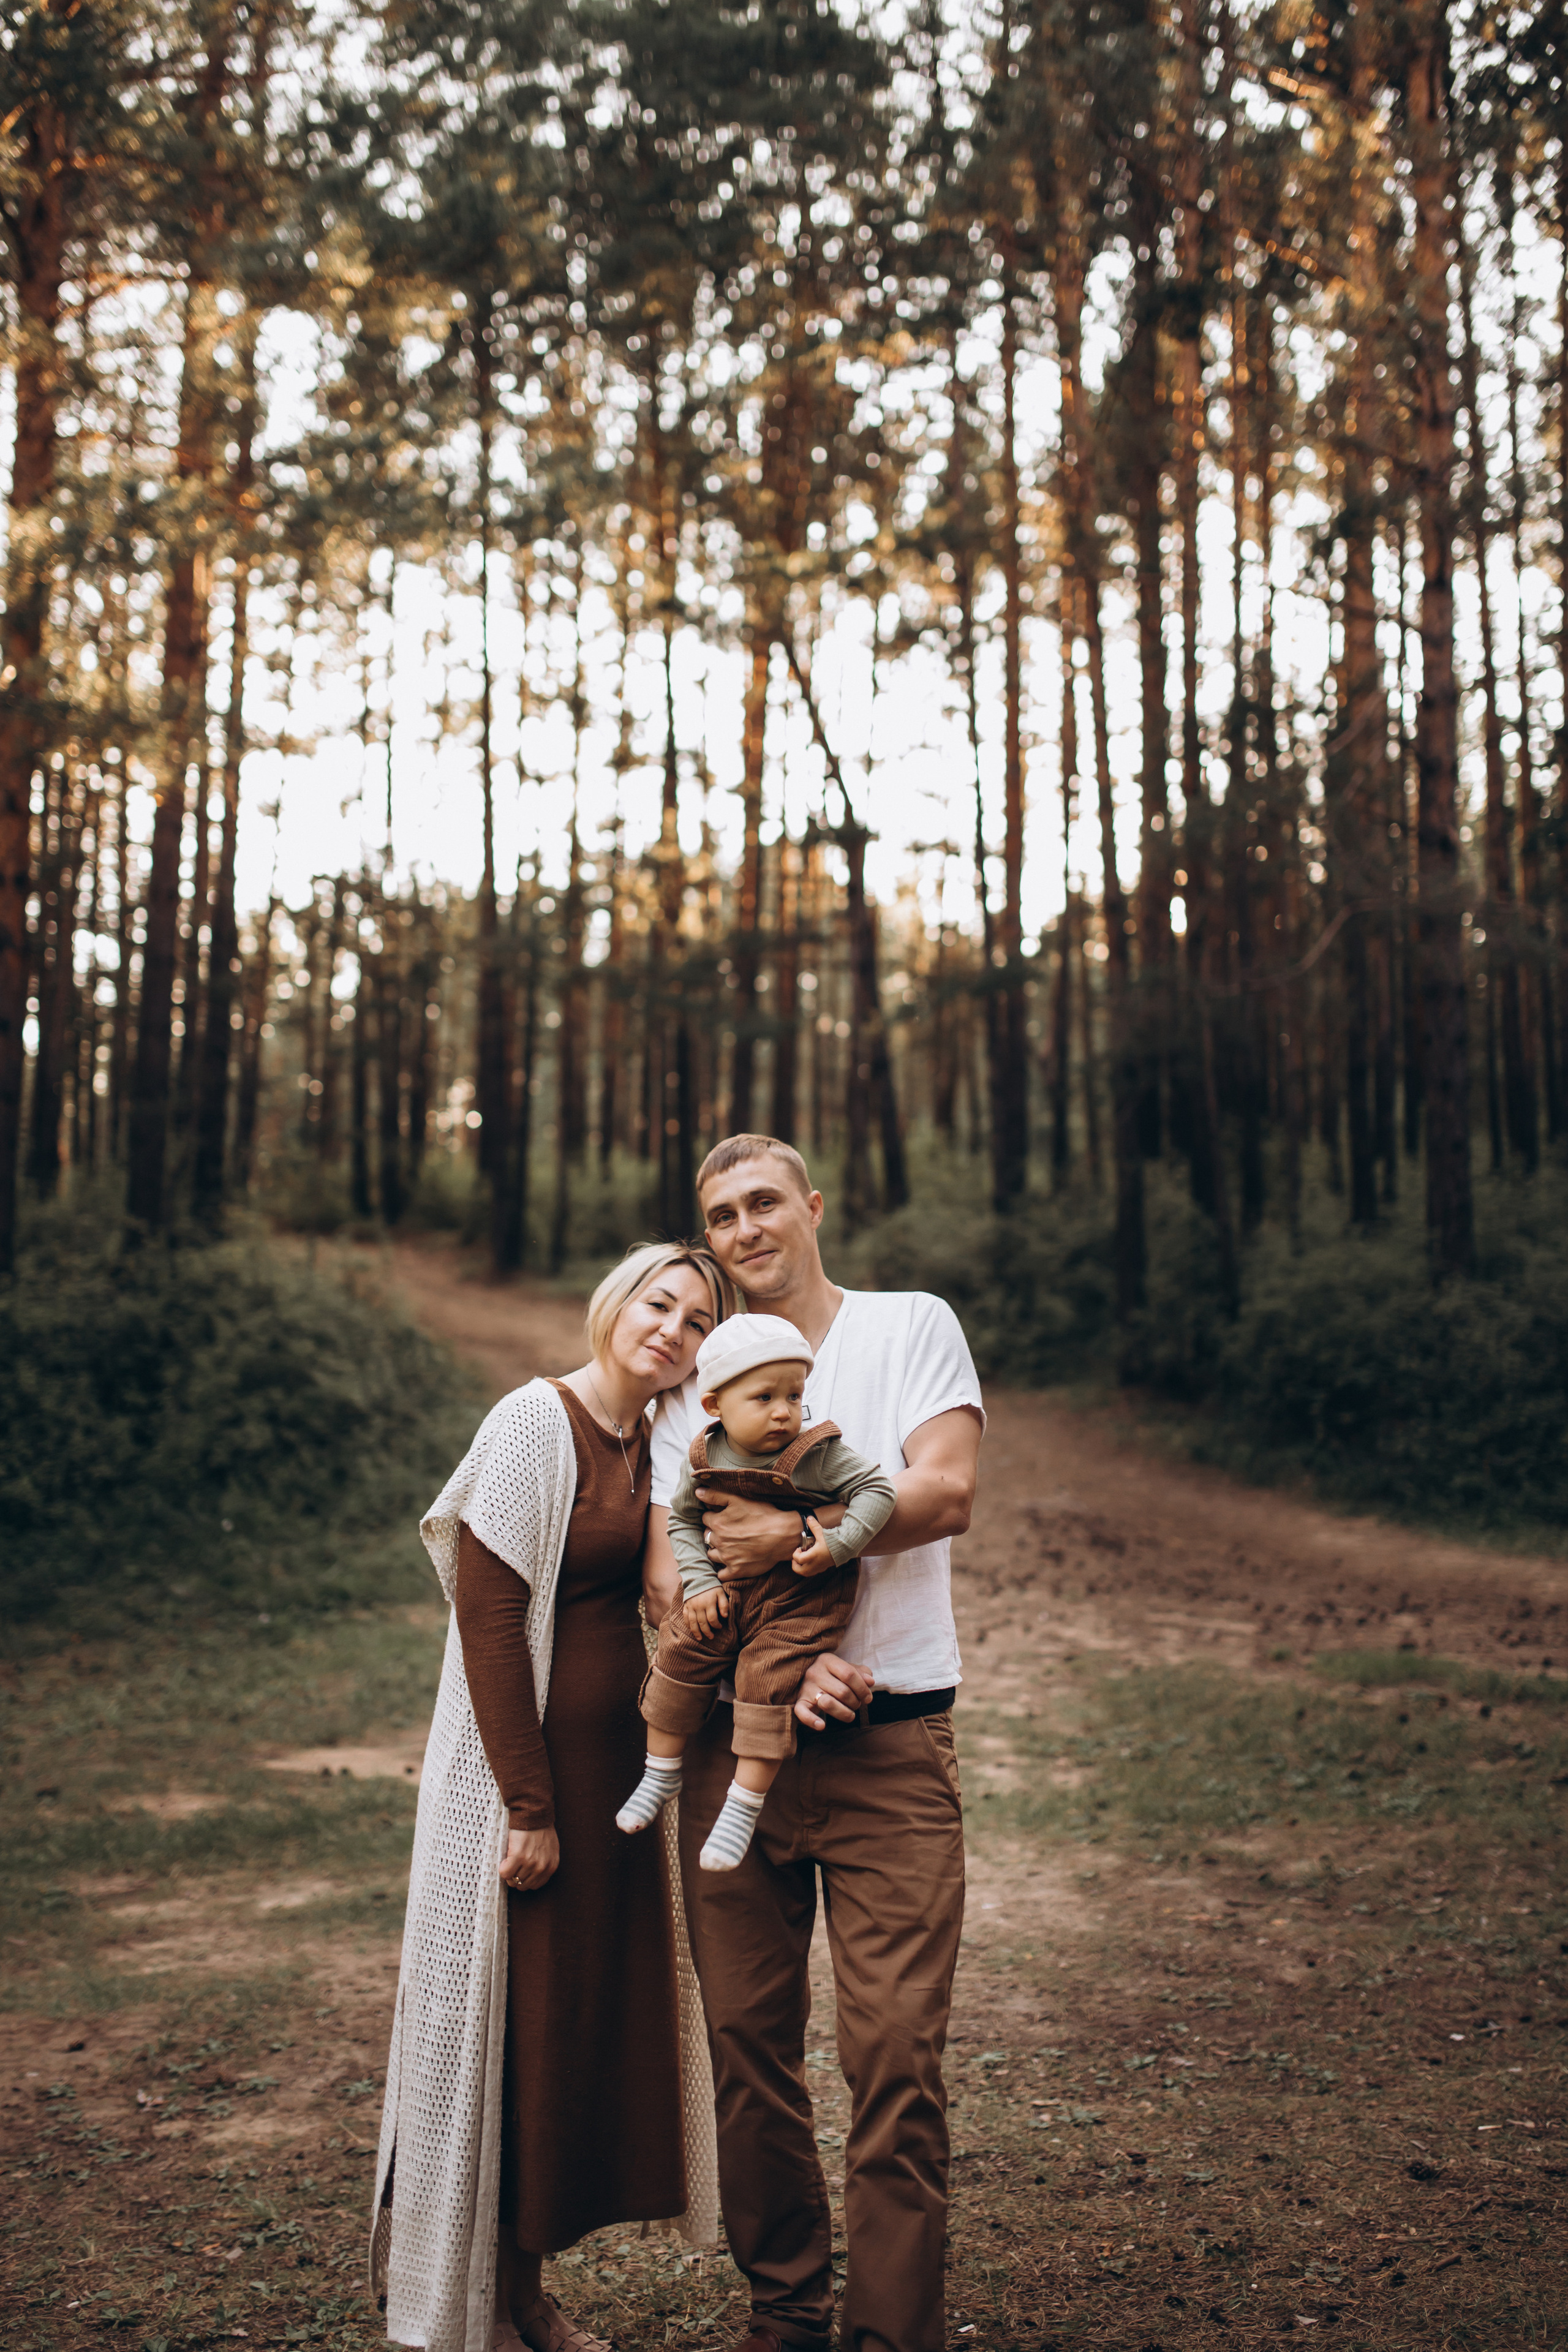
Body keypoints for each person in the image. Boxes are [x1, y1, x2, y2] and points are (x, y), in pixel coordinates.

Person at [644, 1136, 984, 2352]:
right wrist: (784, 1661)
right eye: (720, 1215)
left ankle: (892, 2335)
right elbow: (669, 1573)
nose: (743, 1229)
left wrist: (796, 1546)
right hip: (736, 1752)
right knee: (748, 2049)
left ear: (812, 1207)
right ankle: (785, 2310)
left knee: (895, 2057)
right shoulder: (692, 1381)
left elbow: (944, 1490)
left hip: (892, 1750)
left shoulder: (909, 1326)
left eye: (763, 1203)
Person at [372, 1242, 731, 2352]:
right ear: (616, 1302)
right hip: (528, 1791)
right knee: (503, 2032)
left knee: (562, 2035)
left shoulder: (650, 1440)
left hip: (614, 1783)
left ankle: (522, 2291)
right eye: (659, 1303)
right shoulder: (537, 1421)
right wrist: (527, 1806)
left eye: (697, 1322)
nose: (672, 1330)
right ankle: (482, 2300)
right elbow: (489, 1624)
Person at [618, 1313, 895, 1872]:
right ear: (715, 1406)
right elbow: (682, 1523)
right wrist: (698, 1583)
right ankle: (659, 1773)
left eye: (794, 1395)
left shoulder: (817, 1453)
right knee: (681, 1646)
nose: (783, 1411)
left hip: (800, 1600)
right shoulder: (703, 1456)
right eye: (764, 1397)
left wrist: (838, 1544)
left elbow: (877, 1490)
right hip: (723, 1591)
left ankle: (742, 1806)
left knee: (766, 1678)